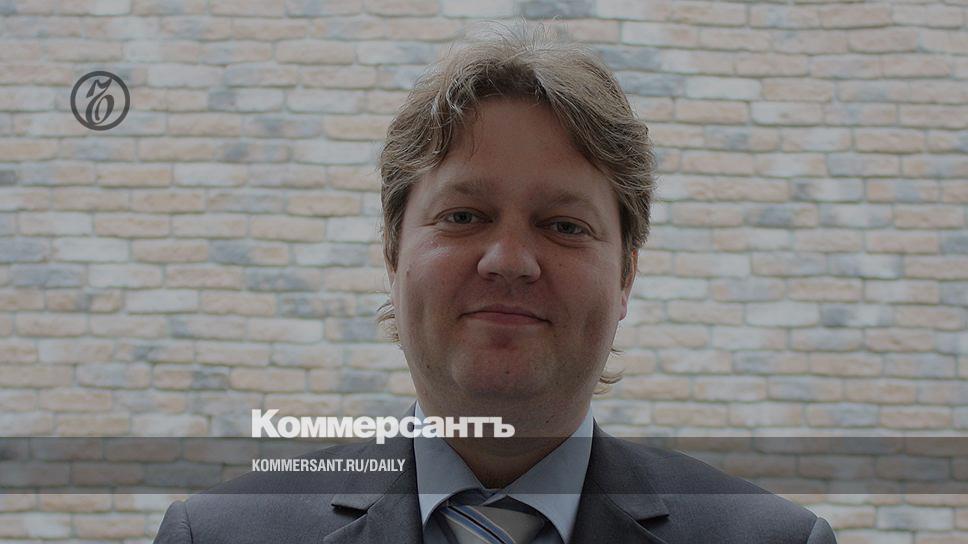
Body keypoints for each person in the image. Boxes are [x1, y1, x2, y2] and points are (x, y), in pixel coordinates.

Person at [155, 23, 837, 544]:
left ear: (627, 275)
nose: (509, 260)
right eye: (464, 216)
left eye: (563, 225)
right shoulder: (216, 536)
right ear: (393, 254)